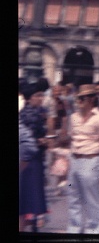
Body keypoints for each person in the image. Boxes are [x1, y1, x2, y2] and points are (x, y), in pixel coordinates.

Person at [66, 84, 99, 234]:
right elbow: (70, 136)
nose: (79, 101)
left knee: (91, 197)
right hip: (75, 158)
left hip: (91, 159)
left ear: (92, 99)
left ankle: (94, 229)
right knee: (73, 196)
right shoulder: (74, 117)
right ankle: (75, 227)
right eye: (78, 98)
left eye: (82, 98)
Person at [19, 77, 50, 232]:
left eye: (41, 95)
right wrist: (42, 141)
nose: (41, 98)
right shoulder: (32, 114)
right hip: (32, 160)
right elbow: (29, 140)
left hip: (27, 159)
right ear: (30, 98)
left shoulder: (25, 112)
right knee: (30, 196)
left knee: (26, 196)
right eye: (37, 96)